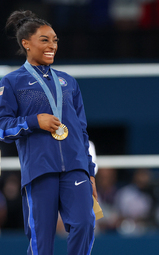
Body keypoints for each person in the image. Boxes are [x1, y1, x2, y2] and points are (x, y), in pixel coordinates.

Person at [0, 10, 97, 255]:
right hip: (40, 170)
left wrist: (90, 172)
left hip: (75, 168)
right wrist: (34, 121)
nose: (52, 45)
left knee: (85, 223)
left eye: (54, 40)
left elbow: (82, 131)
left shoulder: (68, 82)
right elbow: (2, 127)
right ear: (26, 43)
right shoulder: (11, 82)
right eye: (44, 40)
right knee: (41, 242)